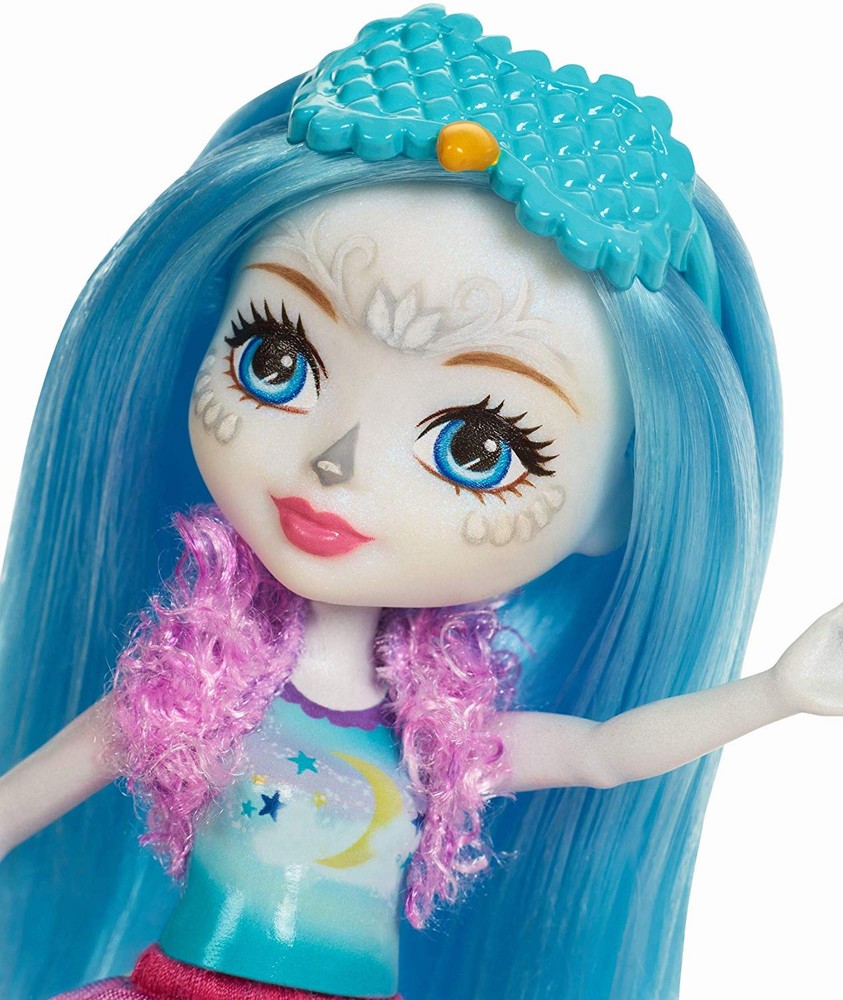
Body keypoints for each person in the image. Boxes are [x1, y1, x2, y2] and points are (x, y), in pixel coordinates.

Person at [1, 7, 841, 999]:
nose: (337, 462)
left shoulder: (437, 742)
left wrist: (777, 692)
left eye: (475, 449)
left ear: (615, 508)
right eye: (276, 358)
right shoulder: (182, 695)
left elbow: (604, 756)